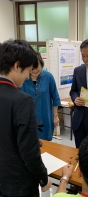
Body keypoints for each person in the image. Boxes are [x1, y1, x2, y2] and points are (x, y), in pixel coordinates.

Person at [0, 39, 52, 196]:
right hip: (18, 184)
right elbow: (29, 153)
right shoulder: (22, 100)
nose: (28, 77)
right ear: (17, 66)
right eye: (28, 71)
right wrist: (43, 179)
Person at [20, 52, 61, 141]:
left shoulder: (48, 77)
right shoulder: (23, 78)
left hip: (45, 116)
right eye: (32, 68)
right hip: (27, 118)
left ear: (41, 64)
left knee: (46, 144)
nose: (35, 70)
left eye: (37, 66)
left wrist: (55, 116)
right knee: (29, 143)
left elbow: (55, 98)